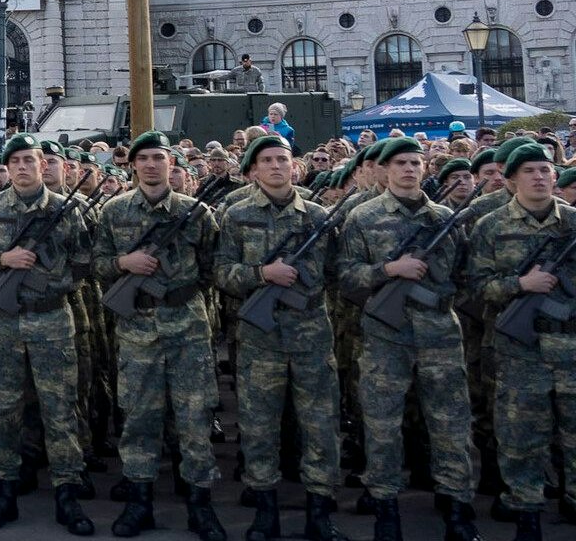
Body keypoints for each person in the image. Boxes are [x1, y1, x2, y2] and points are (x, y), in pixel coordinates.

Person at [337, 136, 480, 541]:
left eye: (416, 163)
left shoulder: (445, 218)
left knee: (451, 424)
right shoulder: (362, 218)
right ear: (384, 169)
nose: (408, 169)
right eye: (400, 163)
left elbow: (467, 278)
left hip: (439, 335)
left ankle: (457, 509)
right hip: (386, 337)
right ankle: (386, 509)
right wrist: (389, 270)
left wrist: (439, 293)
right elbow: (345, 278)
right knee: (382, 425)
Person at [213, 134, 346, 541]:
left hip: (311, 337)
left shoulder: (319, 217)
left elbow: (338, 272)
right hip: (259, 340)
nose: (276, 166)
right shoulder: (235, 215)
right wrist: (261, 276)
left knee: (320, 427)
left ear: (295, 166)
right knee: (258, 427)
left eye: (282, 159)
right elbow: (220, 273)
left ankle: (320, 513)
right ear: (252, 170)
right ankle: (264, 510)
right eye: (267, 160)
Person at [93, 132, 225, 540]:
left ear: (172, 164)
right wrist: (123, 261)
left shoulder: (196, 213)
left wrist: (178, 291)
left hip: (186, 324)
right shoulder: (114, 212)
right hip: (137, 329)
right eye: (143, 158)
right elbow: (96, 264)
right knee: (139, 418)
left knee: (195, 417)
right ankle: (139, 503)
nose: (151, 165)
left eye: (159, 158)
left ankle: (200, 506)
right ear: (132, 165)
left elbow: (212, 267)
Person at [0, 133, 95, 535]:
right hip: (5, 321)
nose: (22, 168)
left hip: (52, 320)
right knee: (3, 409)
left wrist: (50, 281)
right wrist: (2, 259)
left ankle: (67, 491)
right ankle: (3, 489)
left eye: (29, 160)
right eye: (15, 162)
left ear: (44, 165)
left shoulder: (67, 209)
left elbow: (83, 262)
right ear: (6, 169)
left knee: (60, 409)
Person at [466, 141, 573, 540]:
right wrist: (520, 284)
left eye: (545, 170)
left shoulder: (574, 223)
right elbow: (473, 288)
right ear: (511, 181)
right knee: (520, 438)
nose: (540, 177)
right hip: (519, 352)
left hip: (571, 349)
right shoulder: (490, 227)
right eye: (529, 171)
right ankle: (526, 511)